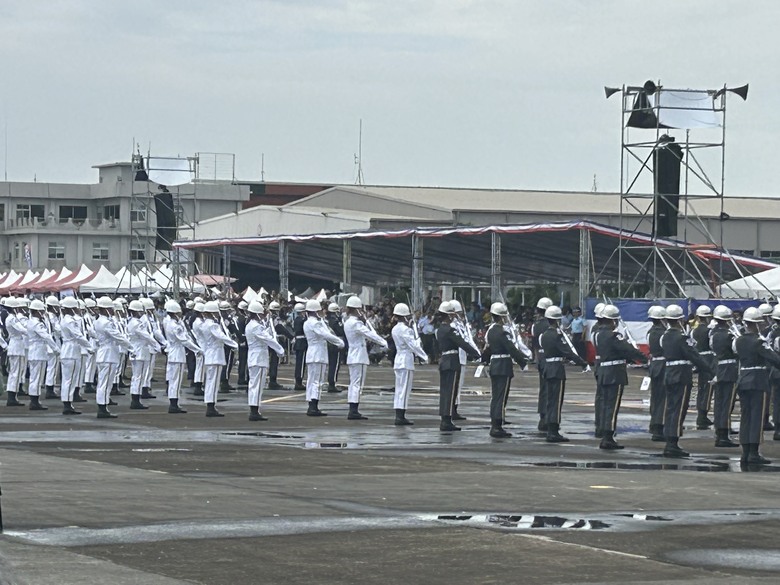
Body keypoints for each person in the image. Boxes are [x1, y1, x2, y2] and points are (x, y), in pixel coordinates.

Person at [660, 304, 713, 457]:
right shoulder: (681, 337)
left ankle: (670, 439)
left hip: (669, 373)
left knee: (670, 408)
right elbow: (694, 356)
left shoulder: (665, 336)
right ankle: (672, 442)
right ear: (680, 319)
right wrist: (709, 370)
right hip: (681, 375)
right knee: (679, 409)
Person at [594, 305, 647, 449]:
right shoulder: (614, 335)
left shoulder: (597, 334)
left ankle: (604, 433)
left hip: (604, 371)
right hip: (614, 373)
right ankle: (608, 437)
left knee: (605, 405)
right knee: (612, 406)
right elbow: (628, 350)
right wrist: (644, 359)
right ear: (613, 321)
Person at [734, 306, 780, 466]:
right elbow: (774, 359)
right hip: (758, 381)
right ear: (756, 324)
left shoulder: (739, 340)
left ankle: (746, 452)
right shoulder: (759, 342)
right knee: (757, 417)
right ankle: (754, 452)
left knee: (746, 417)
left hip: (743, 379)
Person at [539, 305, 588, 442]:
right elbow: (567, 351)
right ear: (557, 320)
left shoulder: (545, 335)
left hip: (548, 368)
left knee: (550, 400)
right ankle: (554, 431)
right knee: (556, 401)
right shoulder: (557, 335)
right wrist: (582, 362)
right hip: (556, 368)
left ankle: (550, 427)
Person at [482, 302, 527, 438]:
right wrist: (522, 362)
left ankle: (494, 421)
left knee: (495, 396)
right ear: (501, 317)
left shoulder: (490, 331)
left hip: (494, 363)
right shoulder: (502, 332)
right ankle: (497, 426)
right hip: (503, 365)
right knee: (501, 397)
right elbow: (511, 348)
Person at [436, 301, 480, 431]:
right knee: (450, 392)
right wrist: (476, 354)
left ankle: (444, 418)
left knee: (445, 392)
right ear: (449, 315)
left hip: (444, 360)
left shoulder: (439, 329)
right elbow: (462, 343)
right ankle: (447, 421)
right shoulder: (450, 330)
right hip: (452, 361)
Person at [343, 296, 388, 420]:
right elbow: (369, 334)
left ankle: (353, 408)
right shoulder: (356, 323)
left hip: (352, 355)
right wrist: (383, 342)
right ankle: (354, 410)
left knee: (353, 383)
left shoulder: (347, 322)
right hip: (359, 356)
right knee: (357, 384)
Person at [303, 299, 345, 416]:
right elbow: (326, 334)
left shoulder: (307, 322)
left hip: (311, 353)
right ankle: (313, 406)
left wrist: (321, 319)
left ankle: (311, 404)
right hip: (318, 354)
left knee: (311, 381)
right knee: (317, 381)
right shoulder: (315, 323)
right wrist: (339, 342)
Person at [93, 296, 132, 419]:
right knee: (105, 383)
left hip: (103, 353)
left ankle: (103, 406)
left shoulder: (98, 321)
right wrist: (131, 347)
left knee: (103, 383)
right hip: (109, 354)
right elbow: (118, 337)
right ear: (105, 309)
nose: (112, 310)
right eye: (110, 308)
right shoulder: (106, 323)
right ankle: (102, 408)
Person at [245, 300, 285, 421]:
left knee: (254, 384)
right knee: (257, 385)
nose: (263, 315)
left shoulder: (250, 325)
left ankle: (254, 409)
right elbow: (268, 339)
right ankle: (254, 411)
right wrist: (280, 350)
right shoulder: (256, 326)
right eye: (261, 314)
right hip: (259, 357)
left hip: (254, 356)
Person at [390, 303, 428, 426]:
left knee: (399, 389)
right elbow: (413, 345)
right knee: (404, 390)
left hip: (398, 359)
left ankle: (399, 414)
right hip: (406, 360)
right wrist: (424, 356)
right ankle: (400, 416)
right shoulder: (406, 330)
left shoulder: (395, 328)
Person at [201, 301, 239, 417]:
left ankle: (211, 405)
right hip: (215, 355)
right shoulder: (213, 325)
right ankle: (211, 406)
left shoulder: (205, 324)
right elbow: (221, 336)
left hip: (211, 355)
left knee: (211, 382)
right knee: (213, 382)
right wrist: (234, 344)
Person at [164, 300, 201, 414]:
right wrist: (197, 349)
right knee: (176, 380)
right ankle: (174, 404)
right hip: (178, 353)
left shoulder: (168, 322)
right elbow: (184, 340)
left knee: (173, 380)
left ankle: (173, 403)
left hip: (172, 352)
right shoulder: (176, 326)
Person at [710, 305, 739, 448]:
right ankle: (723, 435)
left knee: (719, 403)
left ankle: (719, 431)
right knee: (727, 404)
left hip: (718, 368)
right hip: (729, 370)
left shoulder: (713, 334)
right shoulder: (730, 335)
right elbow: (736, 351)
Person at [58, 297, 93, 415]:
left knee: (68, 379)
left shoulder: (65, 320)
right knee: (70, 379)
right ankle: (67, 404)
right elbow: (78, 335)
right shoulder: (70, 321)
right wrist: (89, 347)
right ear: (71, 308)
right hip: (71, 352)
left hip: (68, 350)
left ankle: (68, 402)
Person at [26, 299, 60, 411]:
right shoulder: (37, 323)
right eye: (41, 311)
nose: (43, 313)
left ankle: (34, 400)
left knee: (35, 377)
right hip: (38, 352)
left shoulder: (31, 322)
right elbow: (46, 336)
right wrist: (56, 348)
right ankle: (34, 401)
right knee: (37, 378)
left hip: (35, 351)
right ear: (37, 311)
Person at [127, 300, 161, 410]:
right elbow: (147, 336)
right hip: (140, 352)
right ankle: (135, 400)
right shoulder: (136, 323)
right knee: (138, 377)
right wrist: (157, 346)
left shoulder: (132, 322)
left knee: (137, 376)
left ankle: (136, 398)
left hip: (137, 351)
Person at [450, 300, 480, 422]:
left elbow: (468, 340)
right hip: (456, 358)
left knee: (459, 386)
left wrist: (476, 352)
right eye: (458, 313)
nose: (461, 315)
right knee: (454, 386)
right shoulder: (452, 326)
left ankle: (455, 408)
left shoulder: (460, 325)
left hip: (462, 358)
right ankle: (452, 409)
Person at [692, 306, 716, 429]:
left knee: (702, 388)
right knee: (708, 389)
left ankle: (701, 414)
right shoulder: (709, 331)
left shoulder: (693, 331)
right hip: (708, 361)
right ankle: (702, 415)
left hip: (698, 359)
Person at [531, 297, 554, 432]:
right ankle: (547, 418)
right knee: (550, 390)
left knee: (543, 389)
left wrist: (537, 359)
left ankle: (542, 416)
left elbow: (534, 344)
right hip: (549, 358)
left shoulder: (536, 324)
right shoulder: (549, 325)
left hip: (540, 357)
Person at [646, 305, 667, 442]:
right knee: (663, 398)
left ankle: (654, 422)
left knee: (655, 396)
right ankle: (659, 425)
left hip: (654, 365)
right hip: (663, 365)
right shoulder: (663, 333)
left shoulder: (650, 332)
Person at [5, 298, 27, 406]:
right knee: (15, 373)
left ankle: (13, 396)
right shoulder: (12, 319)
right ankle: (12, 397)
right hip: (16, 346)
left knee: (15, 372)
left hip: (16, 346)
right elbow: (21, 329)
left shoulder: (12, 318)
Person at [267, 300, 293, 390]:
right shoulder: (275, 318)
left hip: (268, 341)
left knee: (271, 361)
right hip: (275, 340)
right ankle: (273, 381)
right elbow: (280, 328)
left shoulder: (267, 317)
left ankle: (272, 380)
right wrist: (290, 336)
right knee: (274, 361)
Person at [43, 296, 61, 400]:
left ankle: (50, 388)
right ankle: (50, 389)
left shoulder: (47, 316)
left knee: (52, 367)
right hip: (53, 343)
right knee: (52, 368)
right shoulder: (52, 317)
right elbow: (57, 330)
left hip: (51, 344)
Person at [326, 302, 346, 393]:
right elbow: (341, 331)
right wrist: (341, 321)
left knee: (332, 364)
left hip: (330, 344)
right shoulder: (336, 321)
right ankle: (332, 383)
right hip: (336, 344)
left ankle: (331, 382)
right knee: (335, 364)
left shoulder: (327, 320)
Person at [292, 302, 307, 391]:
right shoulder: (302, 320)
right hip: (302, 342)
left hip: (298, 341)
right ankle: (299, 381)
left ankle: (298, 381)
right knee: (301, 364)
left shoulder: (296, 319)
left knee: (298, 363)